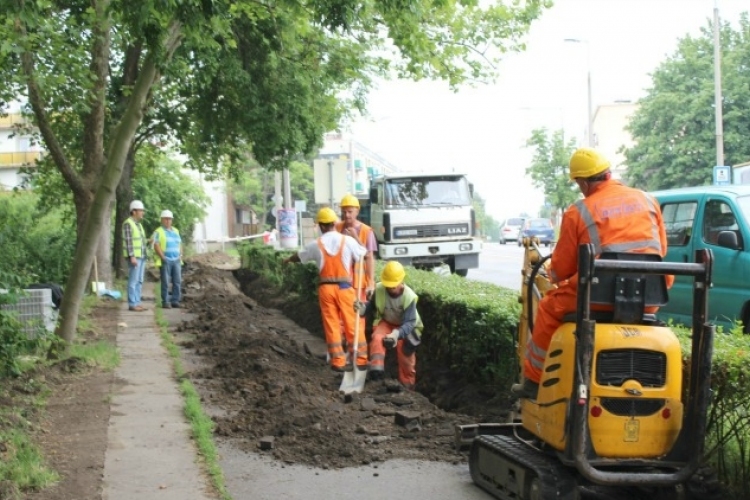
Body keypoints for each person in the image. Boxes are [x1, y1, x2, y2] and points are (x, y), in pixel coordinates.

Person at [512, 147, 671, 399]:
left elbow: (563, 268)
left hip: (596, 297)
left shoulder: (579, 210)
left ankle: (534, 381)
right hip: (647, 299)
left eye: (578, 183)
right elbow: (661, 249)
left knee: (548, 308)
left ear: (584, 182)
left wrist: (552, 275)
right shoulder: (648, 200)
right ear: (608, 174)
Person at [283, 207, 368, 372]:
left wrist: (287, 260)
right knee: (352, 323)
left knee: (332, 324)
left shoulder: (316, 244)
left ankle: (338, 361)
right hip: (345, 288)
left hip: (326, 290)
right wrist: (356, 238)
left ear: (321, 226)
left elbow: (299, 257)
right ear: (334, 224)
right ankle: (361, 360)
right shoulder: (347, 241)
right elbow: (362, 254)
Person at [358, 261, 423, 390]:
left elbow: (410, 323)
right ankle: (376, 374)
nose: (390, 288)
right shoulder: (380, 289)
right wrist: (363, 309)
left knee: (406, 355)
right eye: (388, 285)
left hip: (407, 328)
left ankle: (407, 386)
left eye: (393, 286)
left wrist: (396, 334)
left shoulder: (408, 296)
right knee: (377, 338)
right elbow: (371, 306)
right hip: (387, 322)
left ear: (401, 281)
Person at [335, 194, 378, 332]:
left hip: (359, 284)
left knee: (358, 315)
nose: (347, 215)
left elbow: (369, 257)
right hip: (342, 281)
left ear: (357, 211)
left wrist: (371, 282)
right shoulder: (337, 228)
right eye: (344, 212)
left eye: (350, 212)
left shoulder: (366, 231)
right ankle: (344, 347)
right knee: (341, 316)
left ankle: (356, 347)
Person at [152, 209, 183, 309]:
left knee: (177, 281)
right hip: (166, 260)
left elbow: (180, 243)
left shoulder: (176, 231)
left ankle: (175, 300)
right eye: (166, 219)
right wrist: (163, 257)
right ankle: (165, 301)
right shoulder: (158, 231)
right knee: (165, 281)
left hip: (176, 260)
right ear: (162, 220)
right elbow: (156, 245)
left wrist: (180, 254)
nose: (168, 221)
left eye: (169, 219)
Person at [123, 200, 148, 312]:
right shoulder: (128, 224)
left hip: (142, 256)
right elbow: (129, 241)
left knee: (139, 280)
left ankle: (137, 302)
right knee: (133, 281)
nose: (142, 213)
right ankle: (132, 304)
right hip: (135, 257)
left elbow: (140, 241)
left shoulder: (139, 225)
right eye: (141, 210)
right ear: (134, 212)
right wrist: (132, 256)